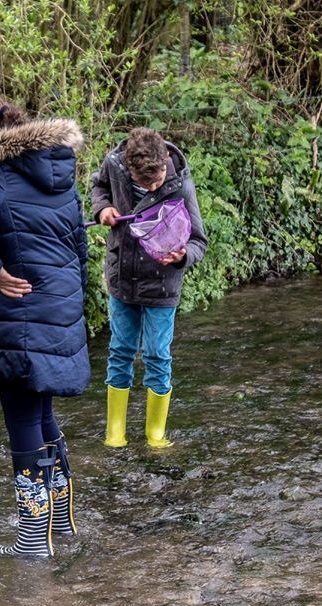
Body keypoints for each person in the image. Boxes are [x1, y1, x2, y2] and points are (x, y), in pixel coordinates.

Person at [0, 97, 90, 557]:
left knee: (24, 421)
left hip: (21, 309)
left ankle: (32, 542)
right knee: (43, 415)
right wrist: (68, 298)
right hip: (59, 307)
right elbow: (79, 243)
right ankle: (61, 524)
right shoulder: (54, 164)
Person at [90, 127, 207, 448]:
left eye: (157, 181)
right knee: (120, 351)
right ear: (130, 170)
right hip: (122, 278)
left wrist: (183, 256)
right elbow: (98, 187)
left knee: (157, 354)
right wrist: (102, 209)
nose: (154, 186)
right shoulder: (113, 166)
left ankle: (155, 434)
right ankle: (116, 431)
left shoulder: (180, 183)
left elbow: (199, 241)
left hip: (162, 285)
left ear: (165, 163)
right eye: (146, 184)